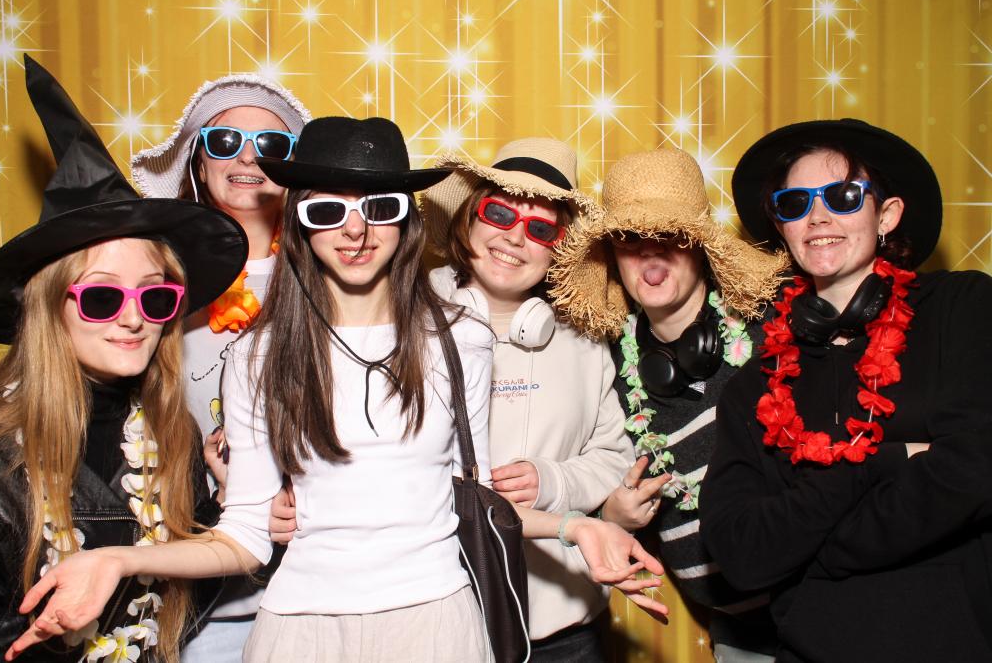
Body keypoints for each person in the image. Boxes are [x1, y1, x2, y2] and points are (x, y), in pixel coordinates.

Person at [7, 117, 666, 663]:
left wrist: (578, 527)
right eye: (329, 209)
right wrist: (119, 561)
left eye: (380, 208)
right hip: (302, 630)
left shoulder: (462, 338)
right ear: (301, 222)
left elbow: (467, 494)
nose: (356, 230)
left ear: (407, 221)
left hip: (438, 623)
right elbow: (246, 535)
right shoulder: (260, 354)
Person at [701, 118, 992, 662]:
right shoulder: (753, 386)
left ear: (887, 215)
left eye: (842, 196)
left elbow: (974, 469)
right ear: (782, 229)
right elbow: (741, 551)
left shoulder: (963, 309)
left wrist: (821, 555)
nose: (817, 217)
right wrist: (883, 463)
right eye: (795, 204)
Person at [0, 56, 247, 662]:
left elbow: (173, 609)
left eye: (155, 297)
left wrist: (229, 510)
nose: (134, 319)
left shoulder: (170, 431)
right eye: (103, 297)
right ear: (49, 307)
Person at [548, 147, 787, 661]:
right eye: (631, 240)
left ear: (700, 246)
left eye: (671, 238)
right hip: (736, 635)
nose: (650, 258)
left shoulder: (772, 328)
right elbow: (597, 478)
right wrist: (615, 513)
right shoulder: (609, 364)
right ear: (612, 255)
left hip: (819, 602)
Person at [422, 137, 636, 661]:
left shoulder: (586, 339)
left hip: (561, 627)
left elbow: (615, 458)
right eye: (499, 213)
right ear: (469, 219)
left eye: (541, 229)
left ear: (559, 249)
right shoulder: (403, 314)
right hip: (435, 618)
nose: (515, 237)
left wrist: (553, 481)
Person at [131, 72, 311, 662]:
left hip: (309, 582)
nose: (249, 158)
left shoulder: (332, 275)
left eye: (273, 146)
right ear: (198, 162)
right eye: (225, 141)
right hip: (193, 591)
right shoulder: (155, 279)